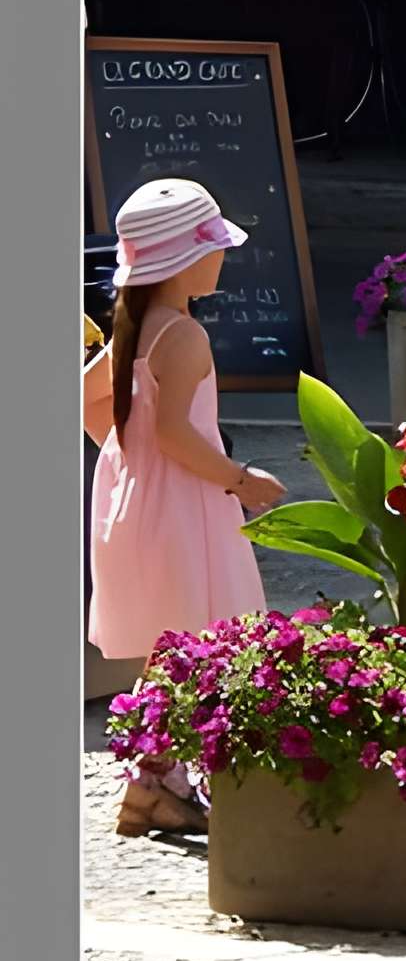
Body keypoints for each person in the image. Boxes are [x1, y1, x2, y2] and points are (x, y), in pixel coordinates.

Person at [82, 180, 289, 836]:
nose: (222, 259)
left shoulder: (134, 331)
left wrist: (126, 454)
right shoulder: (185, 337)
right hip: (185, 512)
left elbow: (89, 401)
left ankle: (156, 782)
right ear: (185, 261)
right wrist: (238, 477)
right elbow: (175, 432)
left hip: (137, 504)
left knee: (170, 647)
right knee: (197, 641)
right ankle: (153, 780)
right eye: (214, 248)